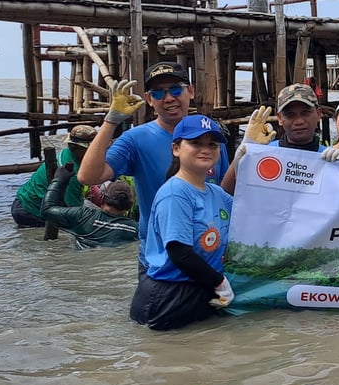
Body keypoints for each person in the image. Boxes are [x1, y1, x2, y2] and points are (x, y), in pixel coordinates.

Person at [78, 61, 230, 251]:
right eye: (158, 93)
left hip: (210, 249)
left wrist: (244, 151)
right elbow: (88, 176)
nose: (168, 98)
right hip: (160, 253)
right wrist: (111, 120)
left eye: (176, 90)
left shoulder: (210, 136)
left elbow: (224, 191)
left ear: (190, 91)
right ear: (149, 99)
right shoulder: (136, 139)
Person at [130, 114, 234, 331]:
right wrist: (220, 283)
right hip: (167, 298)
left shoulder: (216, 193)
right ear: (176, 148)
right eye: (195, 142)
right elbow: (179, 252)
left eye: (212, 144)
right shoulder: (175, 193)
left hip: (200, 288)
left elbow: (252, 214)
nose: (205, 149)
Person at [11, 124, 96, 228]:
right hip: (30, 211)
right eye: (93, 148)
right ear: (77, 148)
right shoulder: (73, 174)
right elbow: (74, 212)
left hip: (23, 201)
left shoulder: (66, 153)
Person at [42, 163, 138, 249]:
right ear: (129, 206)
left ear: (102, 199)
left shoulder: (83, 215)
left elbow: (47, 210)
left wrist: (58, 181)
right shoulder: (135, 229)